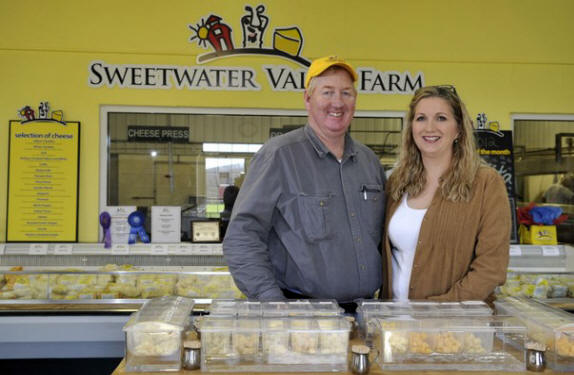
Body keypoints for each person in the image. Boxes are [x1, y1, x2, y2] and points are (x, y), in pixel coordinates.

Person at [223, 56, 386, 308]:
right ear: (308, 99)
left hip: (365, 313)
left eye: (346, 93)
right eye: (327, 92)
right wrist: (273, 304)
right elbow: (242, 237)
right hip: (301, 315)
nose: (338, 102)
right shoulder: (279, 156)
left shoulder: (368, 162)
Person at [381, 85, 510, 304]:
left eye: (441, 118)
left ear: (459, 129)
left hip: (454, 328)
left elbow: (491, 268)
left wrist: (437, 311)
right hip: (394, 322)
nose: (429, 128)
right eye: (421, 118)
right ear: (411, 128)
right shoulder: (397, 182)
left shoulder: (486, 184)